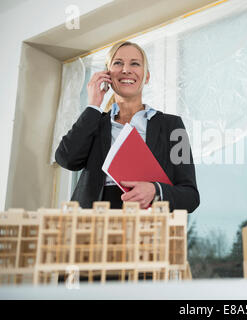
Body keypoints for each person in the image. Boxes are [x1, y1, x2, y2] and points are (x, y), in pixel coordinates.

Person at [55, 41, 199, 213]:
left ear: (146, 77)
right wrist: (93, 105)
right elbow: (66, 158)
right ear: (107, 74)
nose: (126, 69)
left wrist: (155, 191)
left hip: (146, 226)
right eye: (118, 63)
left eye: (135, 63)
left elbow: (190, 197)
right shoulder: (95, 123)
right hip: (93, 224)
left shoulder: (173, 127)